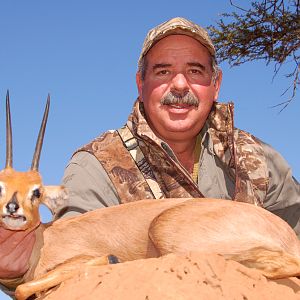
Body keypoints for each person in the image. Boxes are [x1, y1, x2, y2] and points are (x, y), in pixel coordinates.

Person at [0, 17, 299, 296]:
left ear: (216, 84)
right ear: (141, 85)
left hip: (270, 258)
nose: (180, 85)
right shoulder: (96, 163)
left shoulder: (258, 158)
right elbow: (72, 262)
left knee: (168, 232)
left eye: (194, 71)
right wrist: (14, 271)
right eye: (163, 71)